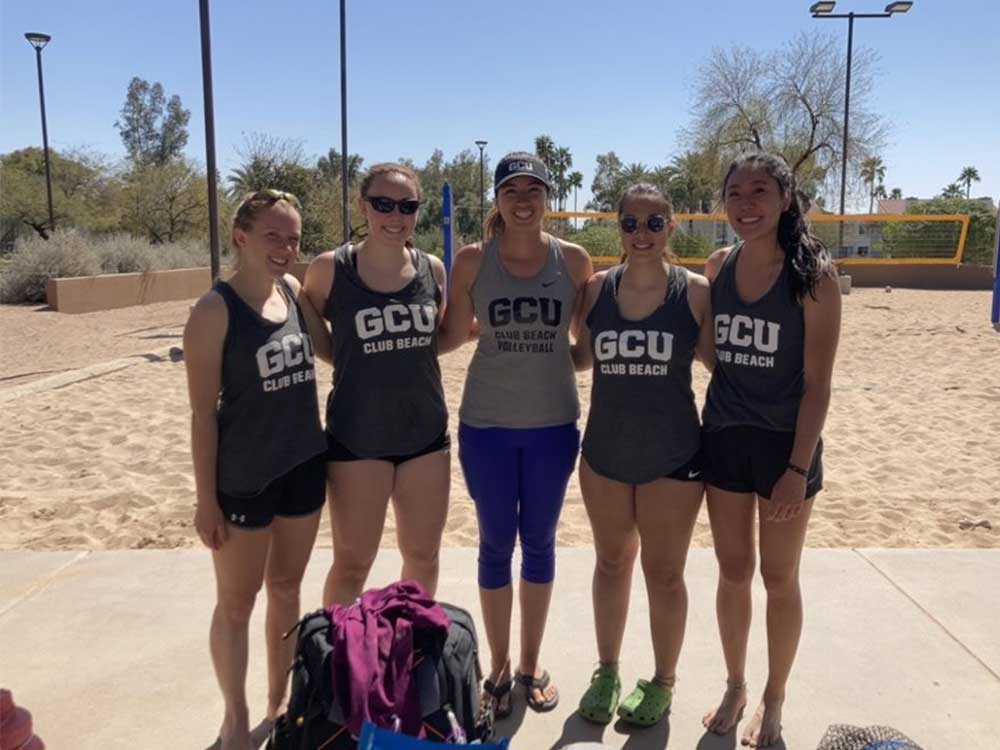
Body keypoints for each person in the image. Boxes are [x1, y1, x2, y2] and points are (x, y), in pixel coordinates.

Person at [439, 152, 593, 716]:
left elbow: (585, 349)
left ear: (549, 198)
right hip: (487, 426)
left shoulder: (573, 260)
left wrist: (547, 362)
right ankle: (499, 670)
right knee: (495, 545)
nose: (523, 200)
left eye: (534, 190)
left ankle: (530, 664)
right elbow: (450, 335)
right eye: (512, 190)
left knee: (541, 544)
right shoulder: (472, 261)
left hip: (553, 426)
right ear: (497, 199)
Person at [699, 152, 841, 748]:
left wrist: (797, 467)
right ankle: (735, 684)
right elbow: (711, 352)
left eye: (759, 190)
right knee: (733, 572)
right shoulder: (718, 266)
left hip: (786, 448)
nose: (746, 203)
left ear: (785, 198)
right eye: (734, 192)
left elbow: (818, 384)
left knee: (779, 578)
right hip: (725, 438)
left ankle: (774, 697)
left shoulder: (813, 276)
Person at [184, 190, 329, 750]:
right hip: (245, 478)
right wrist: (207, 501)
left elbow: (334, 350)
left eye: (293, 238)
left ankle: (278, 704)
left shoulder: (291, 290)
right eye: (273, 235)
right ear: (241, 237)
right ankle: (235, 720)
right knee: (236, 605)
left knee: (287, 589)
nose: (286, 248)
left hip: (303, 465)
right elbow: (202, 416)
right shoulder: (213, 311)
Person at [570, 184, 714, 726]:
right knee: (611, 563)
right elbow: (581, 359)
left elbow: (719, 366)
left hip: (673, 456)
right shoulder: (596, 290)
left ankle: (663, 681)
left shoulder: (694, 292)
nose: (642, 233)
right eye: (631, 223)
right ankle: (607, 670)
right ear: (619, 228)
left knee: (665, 573)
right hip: (604, 452)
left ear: (671, 226)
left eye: (655, 222)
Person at [303, 163, 450, 607]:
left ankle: (411, 637)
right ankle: (341, 647)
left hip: (425, 435)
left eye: (407, 206)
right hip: (357, 435)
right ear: (363, 206)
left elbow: (433, 341)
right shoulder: (330, 269)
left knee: (422, 556)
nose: (395, 215)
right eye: (383, 204)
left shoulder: (433, 270)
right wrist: (355, 358)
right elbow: (319, 338)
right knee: (353, 562)